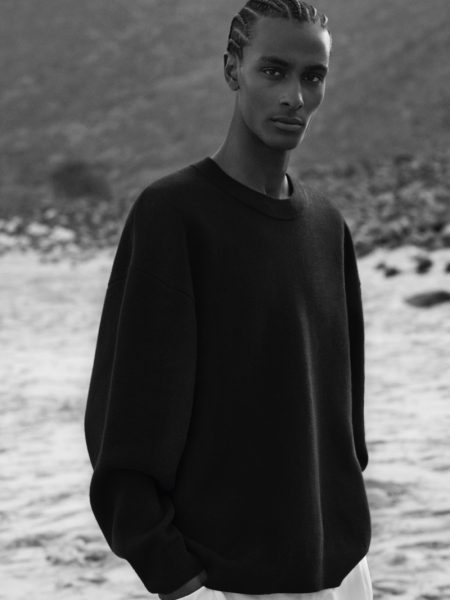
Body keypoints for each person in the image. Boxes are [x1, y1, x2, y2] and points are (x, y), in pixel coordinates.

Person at [84, 1, 373, 599]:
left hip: (340, 572)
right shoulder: (173, 216)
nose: (295, 95)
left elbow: (346, 421)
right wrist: (173, 573)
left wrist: (346, 535)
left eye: (313, 76)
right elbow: (123, 422)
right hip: (223, 580)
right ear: (231, 69)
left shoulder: (327, 227)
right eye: (274, 71)